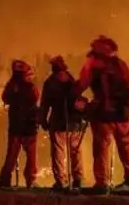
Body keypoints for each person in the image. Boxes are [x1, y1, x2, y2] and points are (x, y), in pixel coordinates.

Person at [73, 36, 129, 196]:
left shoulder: (93, 64)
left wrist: (73, 95)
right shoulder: (121, 65)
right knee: (127, 148)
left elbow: (82, 84)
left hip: (103, 114)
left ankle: (102, 184)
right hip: (123, 114)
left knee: (101, 148)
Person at [39, 55, 86, 192]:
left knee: (58, 152)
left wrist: (43, 120)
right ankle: (78, 179)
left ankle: (61, 181)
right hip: (75, 123)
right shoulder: (71, 80)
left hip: (58, 122)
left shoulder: (50, 82)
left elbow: (45, 104)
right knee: (76, 150)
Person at [0, 60, 40, 189]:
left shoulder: (11, 86)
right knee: (31, 156)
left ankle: (5, 180)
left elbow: (5, 98)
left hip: (16, 126)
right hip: (29, 125)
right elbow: (35, 99)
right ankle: (30, 180)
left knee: (12, 155)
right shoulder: (30, 87)